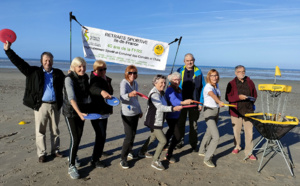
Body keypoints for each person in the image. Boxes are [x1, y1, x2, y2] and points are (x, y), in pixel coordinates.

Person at [3, 41, 65, 163]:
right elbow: (19, 63)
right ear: (42, 61)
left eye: (50, 60)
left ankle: (55, 150)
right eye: (46, 60)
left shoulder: (58, 73)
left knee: (55, 130)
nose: (48, 62)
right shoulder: (34, 72)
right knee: (40, 131)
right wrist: (8, 51)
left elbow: (68, 83)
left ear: (53, 61)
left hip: (55, 105)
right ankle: (42, 153)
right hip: (41, 105)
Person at [139, 75, 182, 171]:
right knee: (163, 141)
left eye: (164, 82)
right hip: (154, 121)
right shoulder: (155, 94)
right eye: (161, 83)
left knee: (153, 136)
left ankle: (142, 151)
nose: (163, 84)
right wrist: (173, 108)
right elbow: (160, 107)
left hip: (158, 120)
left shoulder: (161, 92)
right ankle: (155, 161)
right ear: (155, 83)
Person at [63, 57, 90, 179]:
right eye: (79, 66)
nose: (82, 68)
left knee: (78, 137)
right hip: (71, 112)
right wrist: (79, 112)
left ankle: (73, 155)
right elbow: (71, 97)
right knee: (74, 138)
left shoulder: (85, 77)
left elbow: (86, 95)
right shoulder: (69, 79)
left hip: (82, 111)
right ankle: (71, 165)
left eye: (83, 66)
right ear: (74, 67)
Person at [225, 65, 257, 160]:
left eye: (243, 71)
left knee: (249, 132)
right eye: (239, 71)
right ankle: (237, 146)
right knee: (237, 131)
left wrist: (251, 102)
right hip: (236, 110)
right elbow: (228, 97)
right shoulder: (231, 83)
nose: (241, 73)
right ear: (235, 73)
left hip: (248, 110)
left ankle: (249, 152)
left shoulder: (250, 82)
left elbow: (255, 95)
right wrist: (238, 97)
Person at [176, 53, 206, 152]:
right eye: (187, 60)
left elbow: (203, 88)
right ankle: (179, 142)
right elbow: (172, 84)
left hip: (194, 102)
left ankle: (193, 144)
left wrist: (201, 103)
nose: (190, 62)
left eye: (191, 60)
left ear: (194, 60)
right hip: (181, 102)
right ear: (184, 61)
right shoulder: (179, 70)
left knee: (193, 125)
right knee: (180, 123)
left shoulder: (198, 71)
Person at [89, 60, 113, 168]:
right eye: (100, 69)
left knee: (103, 134)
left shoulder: (105, 78)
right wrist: (101, 92)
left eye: (104, 69)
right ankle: (94, 159)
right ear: (95, 69)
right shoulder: (94, 79)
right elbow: (93, 88)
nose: (103, 71)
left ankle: (100, 151)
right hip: (96, 111)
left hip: (104, 111)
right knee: (101, 134)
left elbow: (110, 91)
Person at [164, 72, 192, 163]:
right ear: (171, 80)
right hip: (170, 115)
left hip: (177, 114)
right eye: (174, 80)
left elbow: (180, 99)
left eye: (178, 80)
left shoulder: (179, 89)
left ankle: (164, 144)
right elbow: (174, 101)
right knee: (178, 135)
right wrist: (184, 103)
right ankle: (169, 154)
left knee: (171, 131)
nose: (176, 81)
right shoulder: (170, 90)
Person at [198, 69, 224, 168]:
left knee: (209, 132)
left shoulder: (216, 86)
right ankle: (207, 158)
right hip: (209, 112)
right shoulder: (208, 87)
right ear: (209, 77)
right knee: (216, 137)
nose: (214, 77)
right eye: (212, 76)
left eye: (216, 75)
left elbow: (217, 96)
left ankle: (202, 151)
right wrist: (219, 102)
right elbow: (212, 95)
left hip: (216, 111)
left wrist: (219, 103)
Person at [119, 65, 143, 169]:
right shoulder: (124, 83)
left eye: (134, 73)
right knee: (128, 136)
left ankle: (130, 151)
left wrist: (140, 110)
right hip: (127, 113)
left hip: (135, 112)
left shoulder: (136, 83)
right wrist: (129, 95)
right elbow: (122, 97)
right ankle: (123, 158)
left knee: (133, 134)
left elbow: (136, 99)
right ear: (126, 73)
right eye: (130, 72)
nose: (132, 75)